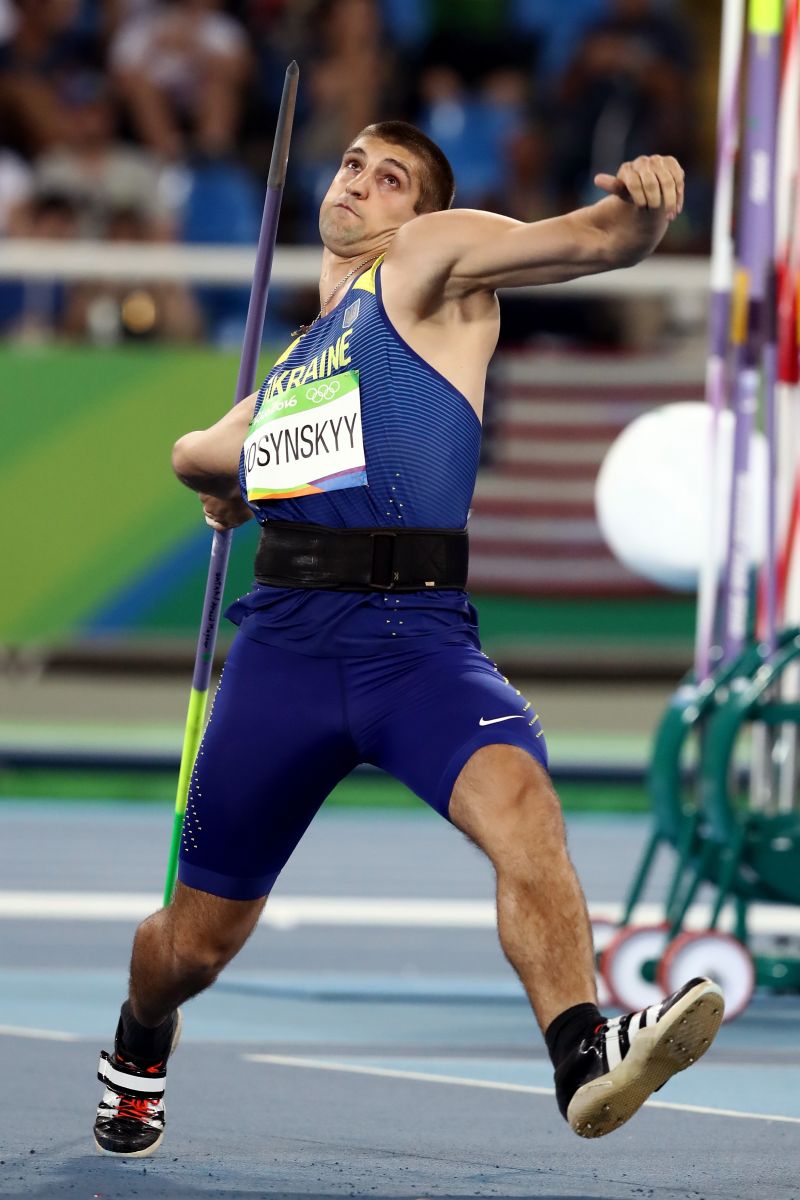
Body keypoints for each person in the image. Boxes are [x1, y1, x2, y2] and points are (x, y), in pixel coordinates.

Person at [93, 120, 724, 1158]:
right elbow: (193, 451)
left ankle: (583, 1051)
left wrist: (644, 210)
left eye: (391, 179)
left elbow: (592, 240)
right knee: (193, 949)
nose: (360, 183)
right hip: (286, 652)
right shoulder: (293, 369)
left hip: (418, 644)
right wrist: (238, 476)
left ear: (419, 214)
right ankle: (140, 1034)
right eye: (352, 164)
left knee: (522, 807)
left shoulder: (427, 263)